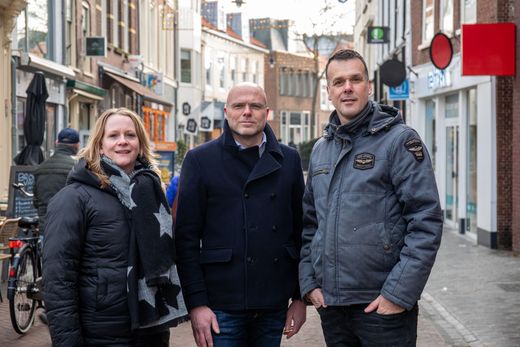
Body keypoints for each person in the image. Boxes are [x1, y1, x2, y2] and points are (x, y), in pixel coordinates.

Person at [299, 49, 443, 346]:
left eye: (355, 79)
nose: (347, 87)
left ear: (369, 86)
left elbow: (426, 222)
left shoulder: (400, 141)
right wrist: (309, 283)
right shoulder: (321, 150)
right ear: (329, 91)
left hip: (383, 308)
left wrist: (398, 294)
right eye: (338, 82)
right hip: (333, 307)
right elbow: (310, 223)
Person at [175, 82, 306, 347]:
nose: (247, 112)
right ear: (226, 112)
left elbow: (302, 231)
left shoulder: (289, 160)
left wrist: (300, 297)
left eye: (255, 106)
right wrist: (196, 304)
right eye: (239, 106)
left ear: (267, 112)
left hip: (273, 301)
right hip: (221, 303)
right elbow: (185, 239)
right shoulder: (200, 160)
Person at [43, 108, 187, 346]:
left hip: (151, 329)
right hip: (100, 333)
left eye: (130, 135)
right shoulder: (73, 198)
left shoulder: (152, 193)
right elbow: (58, 279)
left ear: (140, 144)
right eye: (113, 136)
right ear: (99, 145)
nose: (123, 141)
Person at [33, 127, 80, 234]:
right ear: (77, 145)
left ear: (57, 142)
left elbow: (36, 202)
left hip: (45, 227)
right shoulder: (77, 168)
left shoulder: (40, 168)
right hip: (69, 228)